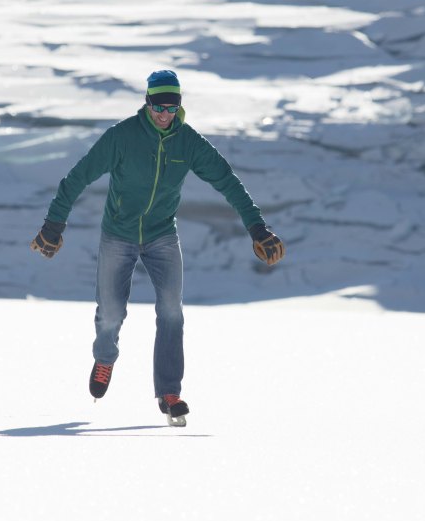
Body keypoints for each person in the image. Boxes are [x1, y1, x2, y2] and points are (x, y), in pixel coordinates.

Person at [31, 70, 284, 425]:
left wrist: (257, 227)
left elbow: (228, 182)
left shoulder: (189, 143)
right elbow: (78, 176)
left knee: (171, 311)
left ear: (179, 105)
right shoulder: (122, 137)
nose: (164, 113)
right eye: (157, 105)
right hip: (118, 234)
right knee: (112, 314)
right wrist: (54, 224)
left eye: (171, 105)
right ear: (147, 103)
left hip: (162, 235)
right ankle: (105, 358)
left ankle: (169, 393)